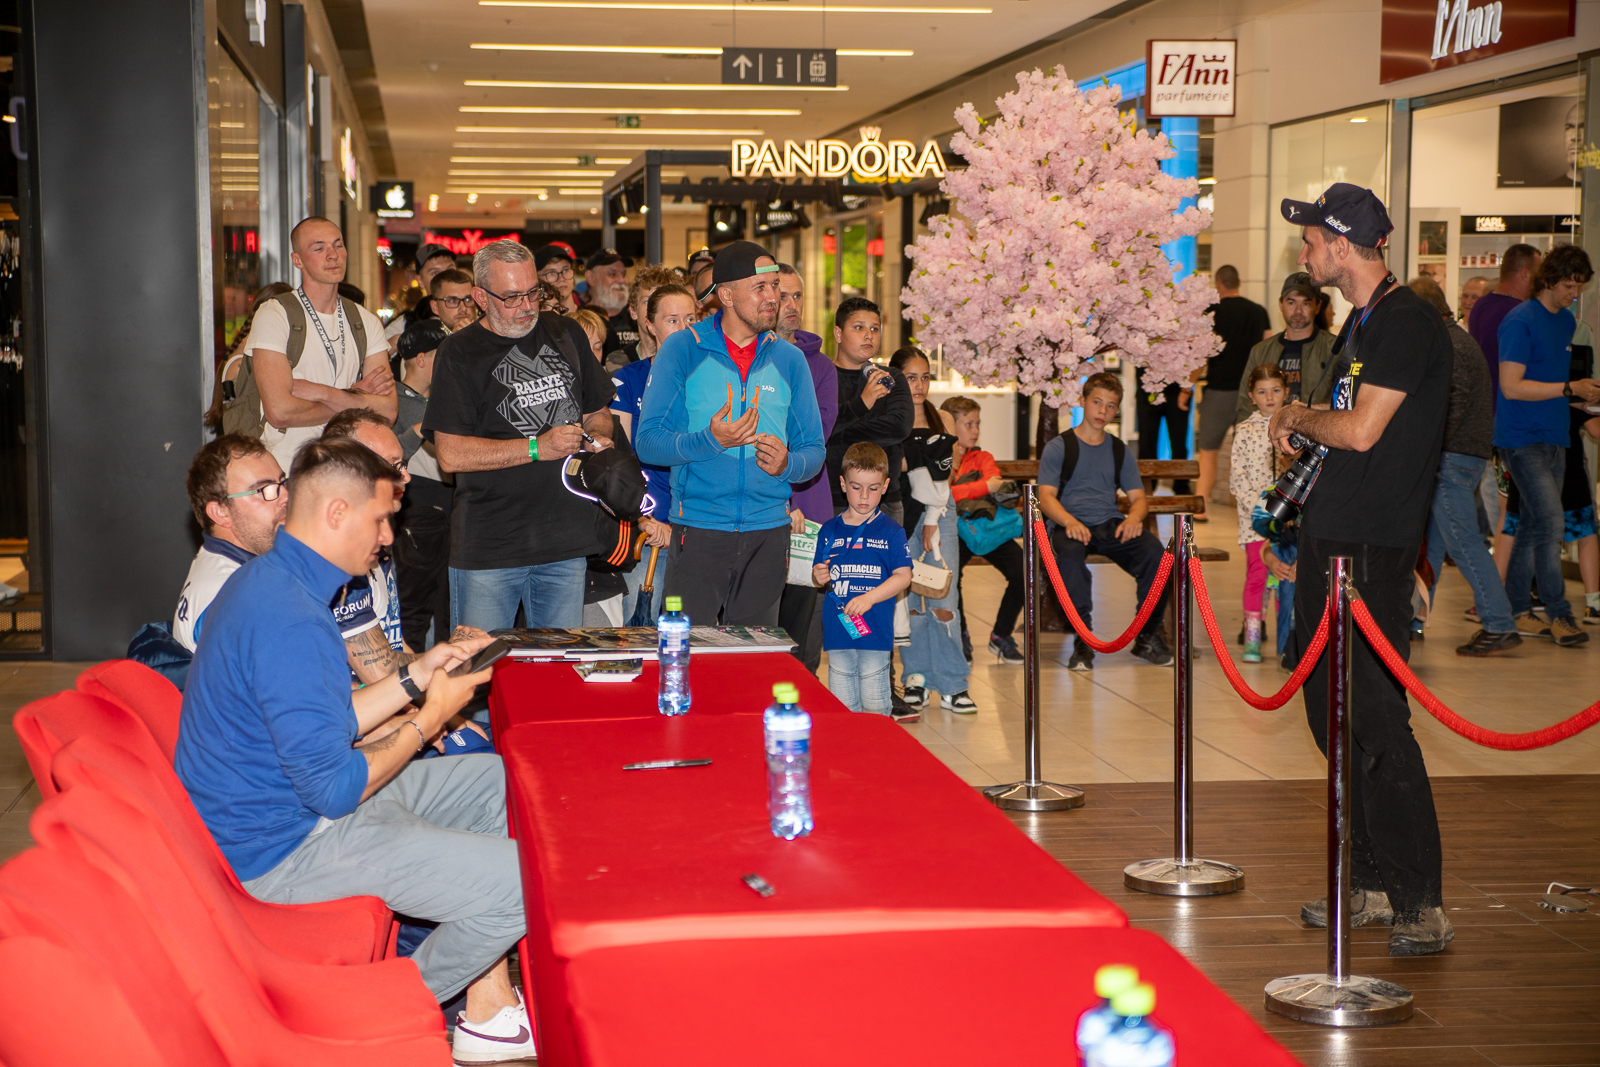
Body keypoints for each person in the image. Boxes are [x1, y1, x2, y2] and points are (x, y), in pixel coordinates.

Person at [172, 439, 532, 1064]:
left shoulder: (276, 581)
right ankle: (378, 1016)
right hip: (283, 852)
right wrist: (431, 718)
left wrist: (417, 675)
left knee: (501, 781)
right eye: (381, 519)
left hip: (297, 809)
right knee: (526, 885)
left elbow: (326, 721)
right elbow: (336, 789)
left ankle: (481, 999)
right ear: (336, 513)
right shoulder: (288, 617)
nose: (389, 538)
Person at [1273, 182, 1454, 955]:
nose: (1305, 251)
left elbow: (1361, 429)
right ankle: (1370, 881)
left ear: (1344, 245)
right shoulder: (1361, 322)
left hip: (1373, 549)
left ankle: (1421, 899)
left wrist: (1295, 416)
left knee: (1376, 718)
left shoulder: (1406, 321)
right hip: (1330, 537)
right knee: (1330, 713)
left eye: (1312, 240)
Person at [424, 239, 617, 632]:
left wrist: (598, 438)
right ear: (480, 297)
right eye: (512, 297)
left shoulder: (566, 332)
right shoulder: (459, 352)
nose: (527, 305)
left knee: (558, 663)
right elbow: (450, 454)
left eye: (534, 292)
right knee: (480, 664)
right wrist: (536, 447)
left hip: (566, 541)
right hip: (491, 547)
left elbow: (597, 411)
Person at [636, 241, 825, 626]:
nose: (773, 297)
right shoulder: (682, 350)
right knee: (688, 650)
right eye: (760, 287)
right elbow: (648, 442)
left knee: (754, 655)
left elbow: (814, 452)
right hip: (697, 530)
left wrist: (787, 464)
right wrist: (711, 441)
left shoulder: (790, 360)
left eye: (775, 286)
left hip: (768, 533)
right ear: (725, 295)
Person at [1401, 276, 1519, 657]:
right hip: (1461, 456)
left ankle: (1498, 623)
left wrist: (1425, 454)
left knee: (1464, 543)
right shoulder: (1455, 340)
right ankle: (1413, 619)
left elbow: (1449, 407)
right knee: (1434, 547)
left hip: (1451, 458)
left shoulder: (1447, 345)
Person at [1493, 243, 1600, 648]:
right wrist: (1570, 388)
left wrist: (1581, 401)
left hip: (1556, 436)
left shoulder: (1565, 323)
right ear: (1550, 280)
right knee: (1553, 523)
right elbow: (1511, 386)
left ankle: (1518, 608)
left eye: (1579, 286)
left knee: (1532, 525)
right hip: (1521, 439)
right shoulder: (1519, 321)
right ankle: (1559, 613)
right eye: (1569, 285)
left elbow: (1552, 386)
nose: (1574, 293)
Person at [1040, 372, 1174, 672]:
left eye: (1111, 406)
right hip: (1068, 525)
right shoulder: (1060, 447)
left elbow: (1139, 498)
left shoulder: (1118, 449)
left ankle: (1147, 636)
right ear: (1083, 401)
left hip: (1109, 523)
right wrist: (1069, 521)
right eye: (1097, 402)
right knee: (1070, 561)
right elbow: (1046, 497)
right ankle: (1083, 640)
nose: (1103, 411)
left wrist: (1134, 518)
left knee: (1157, 556)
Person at [241, 217, 396, 472]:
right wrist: (354, 397)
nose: (333, 254)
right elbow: (279, 412)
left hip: (350, 467)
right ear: (297, 260)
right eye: (319, 247)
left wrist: (322, 392)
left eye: (338, 245)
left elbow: (387, 411)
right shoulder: (275, 313)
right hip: (288, 468)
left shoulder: (365, 321)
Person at [609, 283, 694, 621]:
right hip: (649, 528)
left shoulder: (717, 378)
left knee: (696, 632)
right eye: (672, 320)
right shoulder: (629, 379)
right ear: (650, 325)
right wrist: (642, 519)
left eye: (691, 319)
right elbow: (618, 460)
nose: (684, 328)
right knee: (639, 629)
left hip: (701, 527)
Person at [810, 442, 913, 714]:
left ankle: (879, 744)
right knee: (844, 707)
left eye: (873, 488)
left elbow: (904, 576)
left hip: (874, 631)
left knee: (876, 705)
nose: (864, 496)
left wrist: (869, 598)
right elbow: (819, 576)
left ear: (886, 485)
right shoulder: (828, 530)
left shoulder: (891, 531)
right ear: (843, 484)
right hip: (838, 631)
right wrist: (818, 575)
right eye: (856, 487)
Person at [775, 263, 840, 671]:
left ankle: (802, 699)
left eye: (797, 296)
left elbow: (813, 436)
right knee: (759, 622)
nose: (791, 304)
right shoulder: (746, 357)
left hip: (810, 505)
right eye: (782, 296)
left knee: (803, 630)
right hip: (760, 508)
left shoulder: (822, 367)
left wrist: (793, 500)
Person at [173, 435, 288, 652]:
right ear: (221, 513)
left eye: (282, 483)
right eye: (264, 490)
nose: (286, 497)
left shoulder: (219, 561)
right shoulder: (238, 600)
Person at [392, 320, 454, 651]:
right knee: (412, 610)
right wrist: (417, 430)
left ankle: (447, 679)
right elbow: (385, 457)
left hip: (453, 508)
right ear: (420, 358)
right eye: (442, 355)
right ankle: (406, 677)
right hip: (417, 510)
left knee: (450, 609)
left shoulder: (448, 398)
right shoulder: (391, 402)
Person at [827, 297, 912, 522]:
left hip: (886, 500)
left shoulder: (891, 377)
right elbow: (817, 427)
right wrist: (862, 404)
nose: (869, 335)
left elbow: (899, 427)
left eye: (875, 329)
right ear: (838, 334)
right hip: (833, 499)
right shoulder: (822, 376)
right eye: (859, 327)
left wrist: (836, 435)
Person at [1196, 264, 1272, 512]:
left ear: (1218, 284)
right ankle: (1254, 507)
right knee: (1252, 453)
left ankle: (1201, 506)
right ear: (1239, 282)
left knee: (1208, 452)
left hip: (1218, 390)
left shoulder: (1211, 313)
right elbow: (1268, 349)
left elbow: (1201, 354)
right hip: (1250, 395)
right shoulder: (1258, 312)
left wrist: (1187, 387)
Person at [1230, 364, 1289, 664]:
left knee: (1284, 576)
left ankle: (1285, 642)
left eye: (1275, 391)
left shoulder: (1295, 428)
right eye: (1262, 392)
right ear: (1252, 396)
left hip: (1288, 520)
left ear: (1286, 392)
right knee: (1257, 574)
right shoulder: (1245, 430)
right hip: (1256, 522)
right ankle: (1252, 638)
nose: (1269, 397)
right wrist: (1263, 512)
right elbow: (1237, 479)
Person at [1235, 273, 1337, 422]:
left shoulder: (1334, 349)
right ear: (1281, 304)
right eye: (1291, 303)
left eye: (1306, 303)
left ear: (1317, 306)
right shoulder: (1261, 351)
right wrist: (1245, 431)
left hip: (1317, 432)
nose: (1298, 311)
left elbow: (1346, 401)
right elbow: (1245, 403)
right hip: (1268, 432)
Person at [384, 243, 457, 348]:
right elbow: (379, 352)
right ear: (420, 280)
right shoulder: (408, 322)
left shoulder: (471, 311)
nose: (445, 277)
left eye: (450, 270)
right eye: (435, 273)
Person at [1134, 380, 1191, 495]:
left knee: (1179, 443)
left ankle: (1181, 487)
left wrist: (1186, 389)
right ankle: (1146, 486)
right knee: (1146, 443)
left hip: (1177, 390)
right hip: (1148, 389)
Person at [582, 247, 638, 361]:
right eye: (612, 274)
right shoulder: (579, 320)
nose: (622, 280)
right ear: (590, 278)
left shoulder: (636, 318)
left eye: (623, 274)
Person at [430, 268, 480, 334]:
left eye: (468, 299)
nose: (463, 309)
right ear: (435, 307)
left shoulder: (489, 332)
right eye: (452, 301)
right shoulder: (423, 336)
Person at [533, 243, 579, 313]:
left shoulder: (591, 316)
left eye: (565, 270)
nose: (561, 278)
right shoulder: (532, 318)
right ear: (537, 279)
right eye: (551, 273)